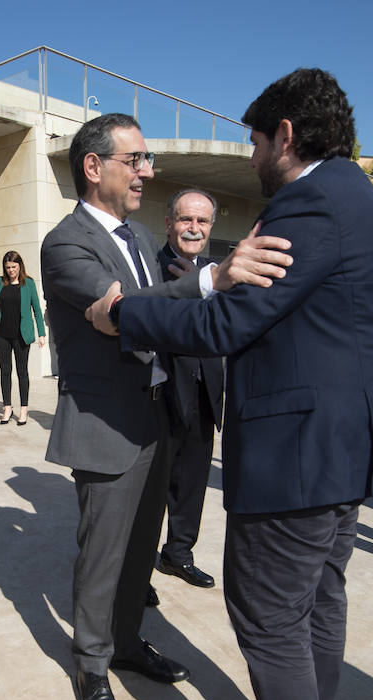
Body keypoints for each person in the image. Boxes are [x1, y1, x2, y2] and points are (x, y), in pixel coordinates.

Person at [88, 68, 373, 700]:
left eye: (256, 140)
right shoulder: (360, 201)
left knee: (269, 616)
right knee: (318, 603)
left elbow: (228, 324)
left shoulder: (311, 203)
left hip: (299, 449)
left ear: (285, 135)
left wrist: (127, 316)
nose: (253, 154)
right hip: (345, 443)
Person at [40, 112, 285, 700]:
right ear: (93, 168)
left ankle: (124, 643)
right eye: (135, 160)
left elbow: (181, 302)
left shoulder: (145, 239)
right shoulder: (66, 243)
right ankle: (90, 665)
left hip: (158, 417)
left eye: (146, 160)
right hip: (105, 424)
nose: (147, 171)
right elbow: (128, 309)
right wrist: (210, 278)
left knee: (141, 549)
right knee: (103, 553)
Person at [153, 188, 225, 589]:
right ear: (169, 224)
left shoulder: (218, 274)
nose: (193, 228)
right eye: (185, 219)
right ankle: (136, 571)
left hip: (205, 394)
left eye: (202, 221)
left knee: (193, 484)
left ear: (211, 227)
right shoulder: (147, 267)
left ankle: (177, 555)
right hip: (159, 397)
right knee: (150, 493)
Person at [0, 250, 46, 425]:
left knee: (22, 372)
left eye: (14, 267)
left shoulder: (29, 283)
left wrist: (42, 333)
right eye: (7, 267)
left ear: (20, 266)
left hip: (22, 335)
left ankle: (23, 409)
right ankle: (7, 407)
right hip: (2, 335)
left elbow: (37, 310)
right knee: (5, 371)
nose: (11, 270)